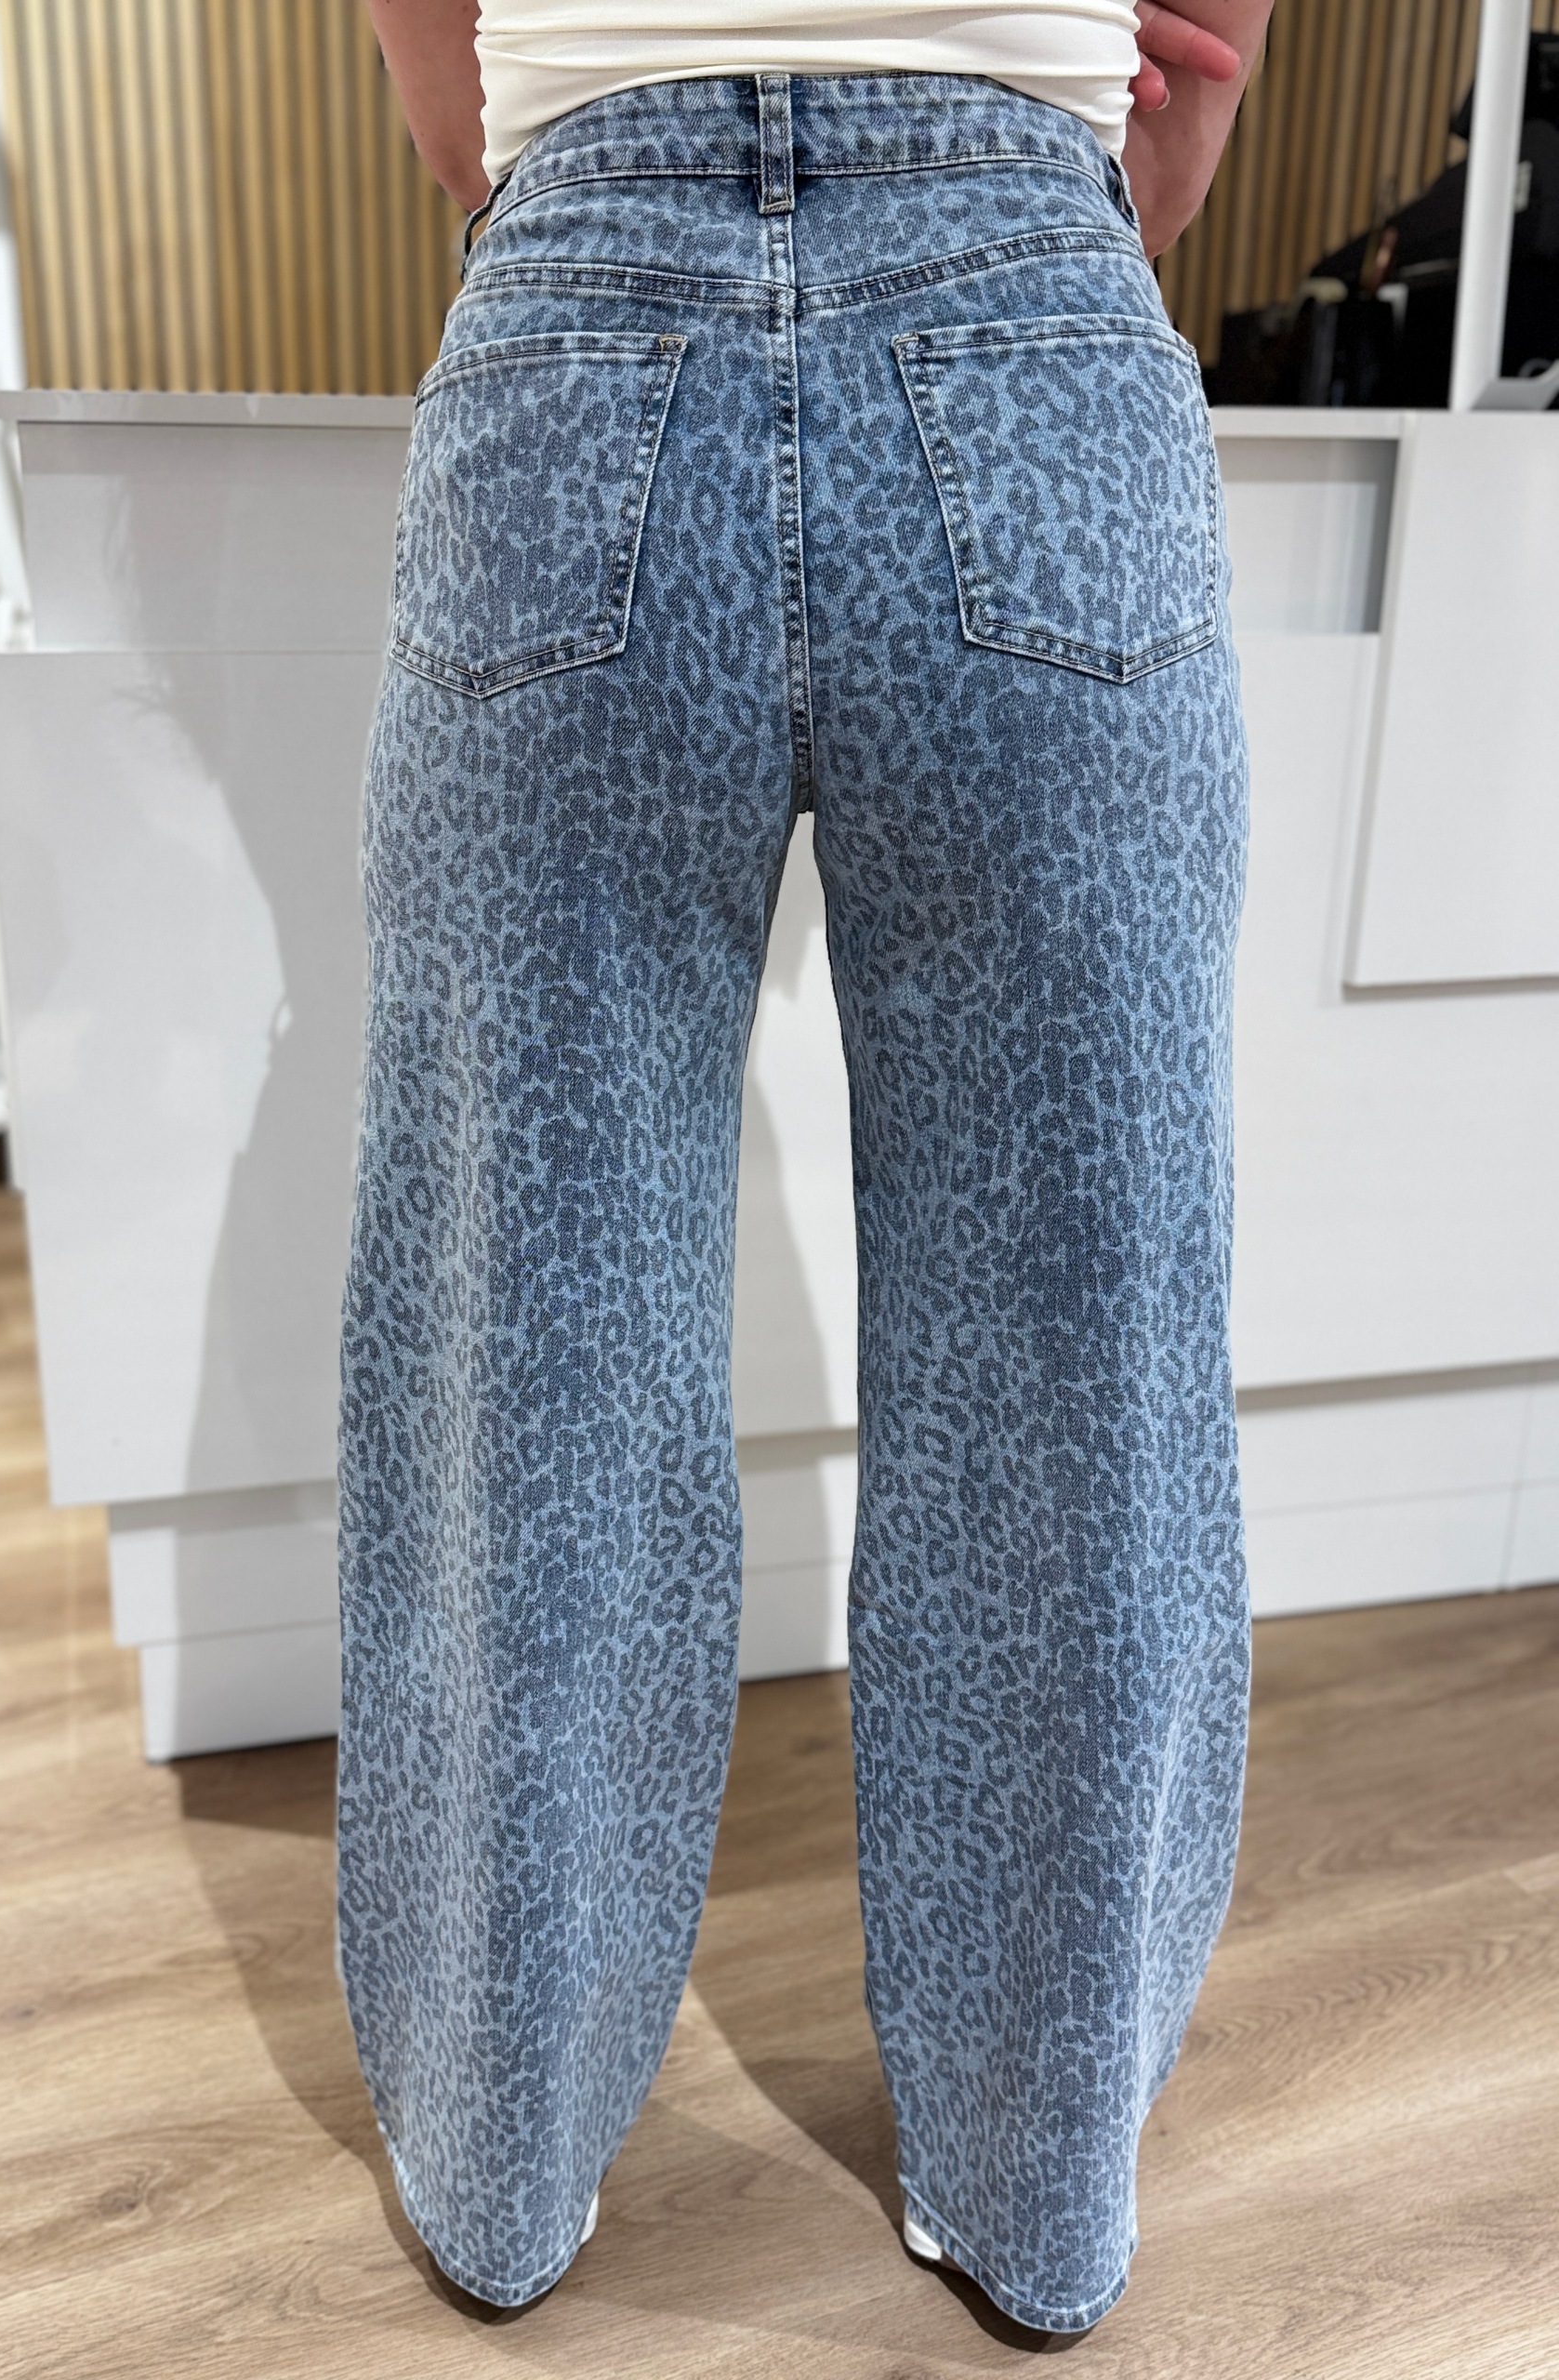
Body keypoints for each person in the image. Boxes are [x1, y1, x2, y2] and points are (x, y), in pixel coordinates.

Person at [337, 0, 1273, 2336]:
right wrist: (1094, 157)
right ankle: (1039, 2187)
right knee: (1084, 1365)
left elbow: (440, 75)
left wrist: (555, 143)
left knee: (527, 1356)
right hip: (1031, 302)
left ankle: (502, 2158)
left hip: (584, 313)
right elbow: (1199, 70)